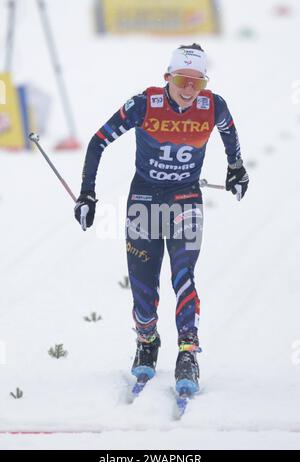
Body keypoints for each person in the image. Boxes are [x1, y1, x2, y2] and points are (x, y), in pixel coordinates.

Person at [75, 43, 249, 396]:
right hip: (144, 199)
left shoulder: (213, 105)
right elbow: (97, 142)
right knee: (143, 281)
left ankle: (188, 352)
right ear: (168, 76)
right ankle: (147, 339)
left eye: (197, 82)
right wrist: (87, 193)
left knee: (183, 275)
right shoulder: (144, 104)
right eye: (183, 79)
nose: (189, 89)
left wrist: (236, 167)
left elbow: (230, 133)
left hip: (185, 199)